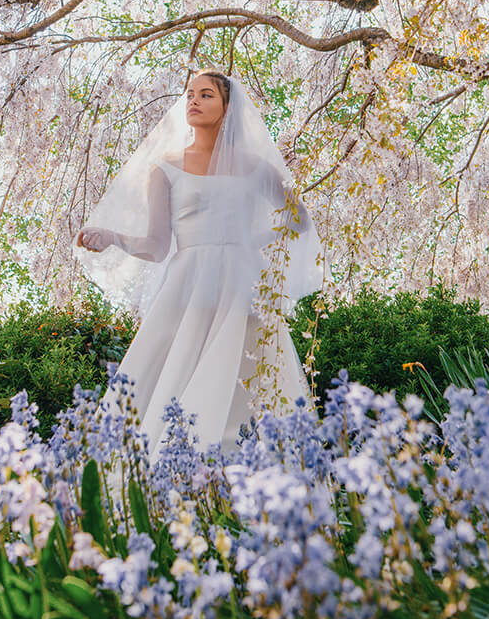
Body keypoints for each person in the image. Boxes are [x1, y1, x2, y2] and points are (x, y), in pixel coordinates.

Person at [74, 71, 322, 459]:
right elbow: (157, 247)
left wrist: (250, 240)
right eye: (190, 94)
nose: (193, 101)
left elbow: (298, 219)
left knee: (250, 377)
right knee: (175, 373)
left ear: (227, 106)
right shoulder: (167, 167)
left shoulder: (255, 165)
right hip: (188, 287)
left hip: (243, 286)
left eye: (206, 95)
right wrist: (114, 238)